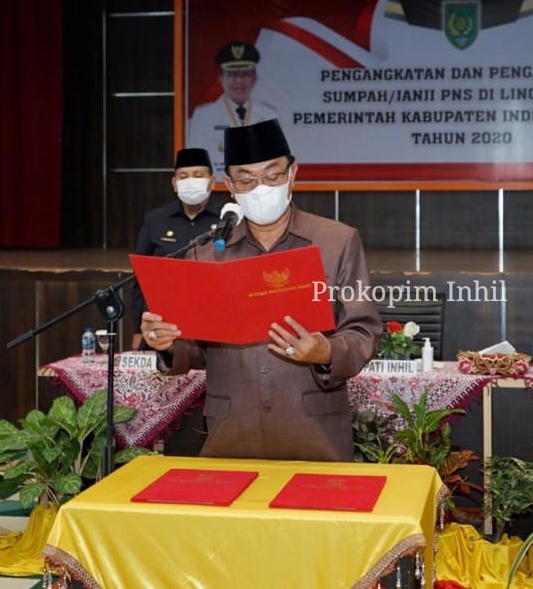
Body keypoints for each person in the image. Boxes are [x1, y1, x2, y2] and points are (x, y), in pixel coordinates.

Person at [140, 119, 382, 461]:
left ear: (292, 174)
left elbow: (364, 331)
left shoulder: (337, 241)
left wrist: (326, 352)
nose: (261, 188)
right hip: (231, 434)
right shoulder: (207, 253)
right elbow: (196, 348)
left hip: (315, 434)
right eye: (247, 180)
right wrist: (167, 343)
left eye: (272, 176)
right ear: (230, 185)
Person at [130, 148, 223, 349]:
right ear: (174, 183)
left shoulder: (228, 218)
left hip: (212, 323)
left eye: (198, 175)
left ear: (211, 182)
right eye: (183, 176)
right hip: (161, 324)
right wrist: (137, 330)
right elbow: (140, 277)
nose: (190, 181)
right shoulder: (156, 219)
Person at [186, 40, 280, 177]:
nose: (239, 81)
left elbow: (278, 162)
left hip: (260, 187)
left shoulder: (270, 116)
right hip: (219, 186)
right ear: (221, 79)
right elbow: (195, 163)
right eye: (232, 74)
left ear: (255, 79)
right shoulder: (204, 116)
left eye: (245, 74)